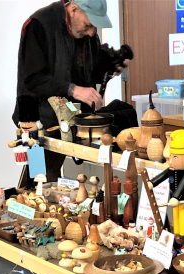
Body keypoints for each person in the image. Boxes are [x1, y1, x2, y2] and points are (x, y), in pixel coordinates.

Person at [13, 0, 132, 182]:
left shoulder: (85, 33)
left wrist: (110, 66)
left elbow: (86, 70)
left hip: (67, 118)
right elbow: (32, 78)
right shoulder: (39, 25)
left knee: (54, 177)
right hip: (35, 120)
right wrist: (73, 90)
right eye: (88, 25)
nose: (92, 32)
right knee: (38, 178)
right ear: (74, 9)